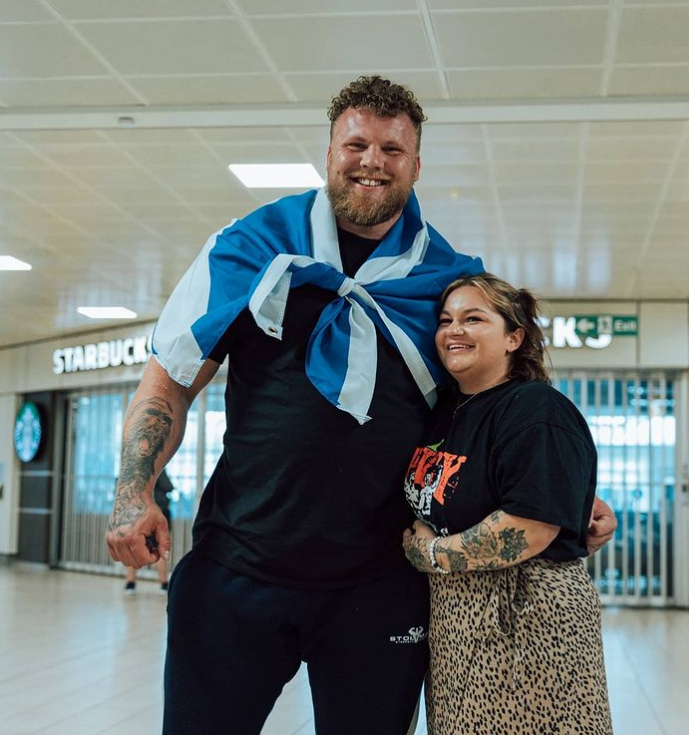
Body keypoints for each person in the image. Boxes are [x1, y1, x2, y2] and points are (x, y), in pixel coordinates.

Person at [105, 76, 616, 735]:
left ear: (415, 165)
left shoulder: (445, 280)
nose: (372, 161)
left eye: (391, 149)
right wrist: (132, 488)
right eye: (356, 145)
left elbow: (481, 412)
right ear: (329, 154)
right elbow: (168, 380)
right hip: (237, 566)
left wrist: (557, 486)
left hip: (380, 583)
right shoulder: (250, 246)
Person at [402, 273, 613, 734]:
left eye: (473, 318)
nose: (454, 330)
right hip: (456, 617)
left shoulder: (536, 409)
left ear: (514, 338)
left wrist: (430, 553)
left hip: (526, 615)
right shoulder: (446, 410)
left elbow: (530, 527)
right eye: (445, 320)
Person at [123, 468, 173, 596]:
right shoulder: (158, 467)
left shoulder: (132, 468)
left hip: (137, 512)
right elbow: (168, 486)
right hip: (158, 512)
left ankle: (130, 583)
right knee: (160, 547)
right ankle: (164, 584)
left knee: (134, 546)